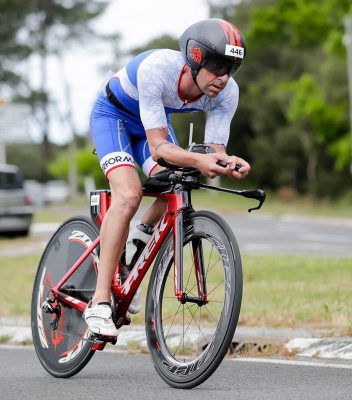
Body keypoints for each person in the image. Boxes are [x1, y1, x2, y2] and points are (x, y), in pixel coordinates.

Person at [84, 18, 251, 338]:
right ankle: (100, 301)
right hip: (114, 117)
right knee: (130, 194)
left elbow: (214, 149)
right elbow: (160, 147)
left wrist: (229, 162)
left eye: (232, 68)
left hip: (152, 124)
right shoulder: (158, 68)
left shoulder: (226, 92)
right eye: (217, 66)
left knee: (175, 180)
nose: (224, 77)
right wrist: (199, 159)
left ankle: (134, 245)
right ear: (195, 58)